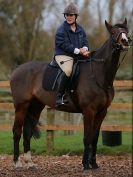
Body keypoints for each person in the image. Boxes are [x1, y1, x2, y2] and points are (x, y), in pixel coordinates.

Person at [54, 2, 90, 107]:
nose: (69, 17)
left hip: (77, 55)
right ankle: (59, 97)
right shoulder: (61, 30)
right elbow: (64, 45)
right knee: (68, 70)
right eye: (67, 15)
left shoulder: (81, 29)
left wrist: (85, 48)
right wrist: (79, 51)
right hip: (62, 55)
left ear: (76, 16)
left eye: (71, 15)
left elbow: (85, 41)